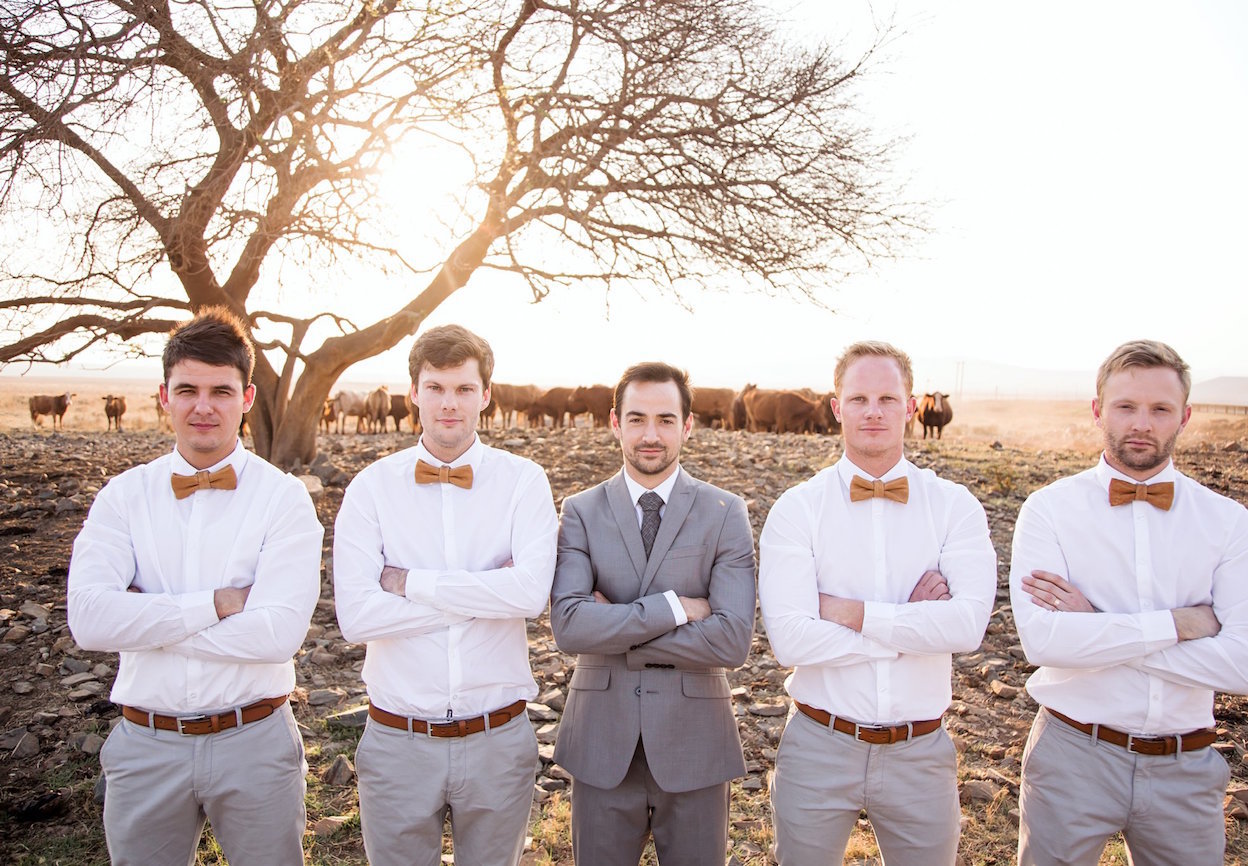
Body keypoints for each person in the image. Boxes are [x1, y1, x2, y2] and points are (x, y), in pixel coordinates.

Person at [67, 308, 323, 865]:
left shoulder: (283, 498)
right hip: (144, 745)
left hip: (255, 740)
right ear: (164, 396)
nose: (203, 406)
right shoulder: (122, 497)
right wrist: (218, 603)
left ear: (247, 397)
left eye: (221, 391)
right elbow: (88, 620)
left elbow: (277, 637)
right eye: (187, 389)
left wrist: (144, 622)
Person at [1010, 340, 1248, 866]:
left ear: (1185, 417)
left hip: (1186, 766)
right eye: (1126, 406)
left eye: (1160, 409)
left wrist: (1099, 628)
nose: (1141, 423)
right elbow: (1044, 641)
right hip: (1071, 756)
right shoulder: (1049, 511)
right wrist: (1179, 625)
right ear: (1097, 410)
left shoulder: (1228, 523)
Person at [758, 341, 996, 866]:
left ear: (911, 407)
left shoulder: (955, 506)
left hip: (922, 752)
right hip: (818, 744)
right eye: (859, 398)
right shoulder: (798, 508)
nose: (873, 411)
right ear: (836, 406)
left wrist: (850, 612)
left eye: (888, 398)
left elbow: (966, 628)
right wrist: (911, 623)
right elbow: (791, 641)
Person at [332, 324, 557, 866]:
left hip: (498, 738)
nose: (448, 403)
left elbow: (528, 595)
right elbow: (358, 618)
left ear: (486, 394)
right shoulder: (371, 488)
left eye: (462, 388)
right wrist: (484, 597)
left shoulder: (524, 482)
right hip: (397, 741)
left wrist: (411, 584)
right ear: (413, 392)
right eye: (435, 387)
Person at [550, 362, 756, 866]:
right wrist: (675, 610)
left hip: (697, 743)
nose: (650, 434)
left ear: (688, 425)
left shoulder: (727, 512)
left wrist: (616, 628)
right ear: (614, 422)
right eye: (637, 418)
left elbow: (731, 641)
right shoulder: (580, 511)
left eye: (666, 419)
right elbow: (570, 626)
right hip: (601, 742)